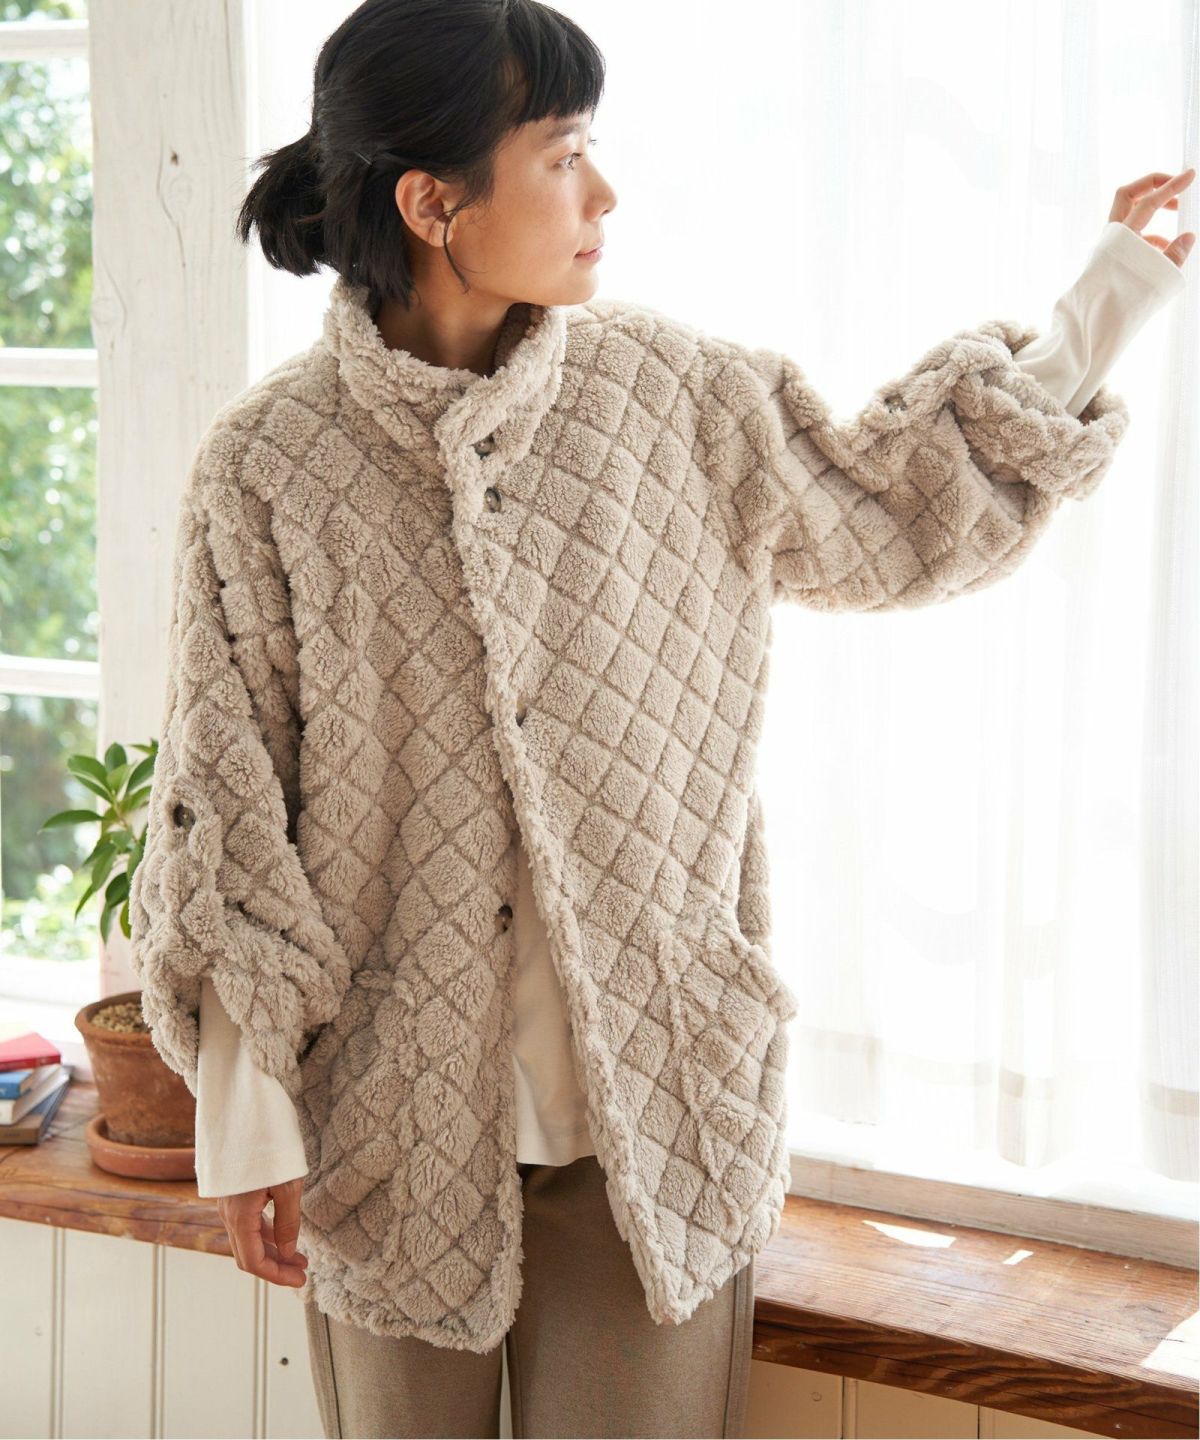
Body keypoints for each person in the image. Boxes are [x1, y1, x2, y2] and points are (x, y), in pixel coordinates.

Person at [126, 1, 1194, 1436]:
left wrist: (1102, 305)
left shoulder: (676, 397)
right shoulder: (270, 465)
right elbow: (225, 805)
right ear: (433, 203)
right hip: (381, 1127)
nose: (605, 195)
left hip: (661, 1117)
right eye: (564, 155)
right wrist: (247, 1120)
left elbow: (890, 510)